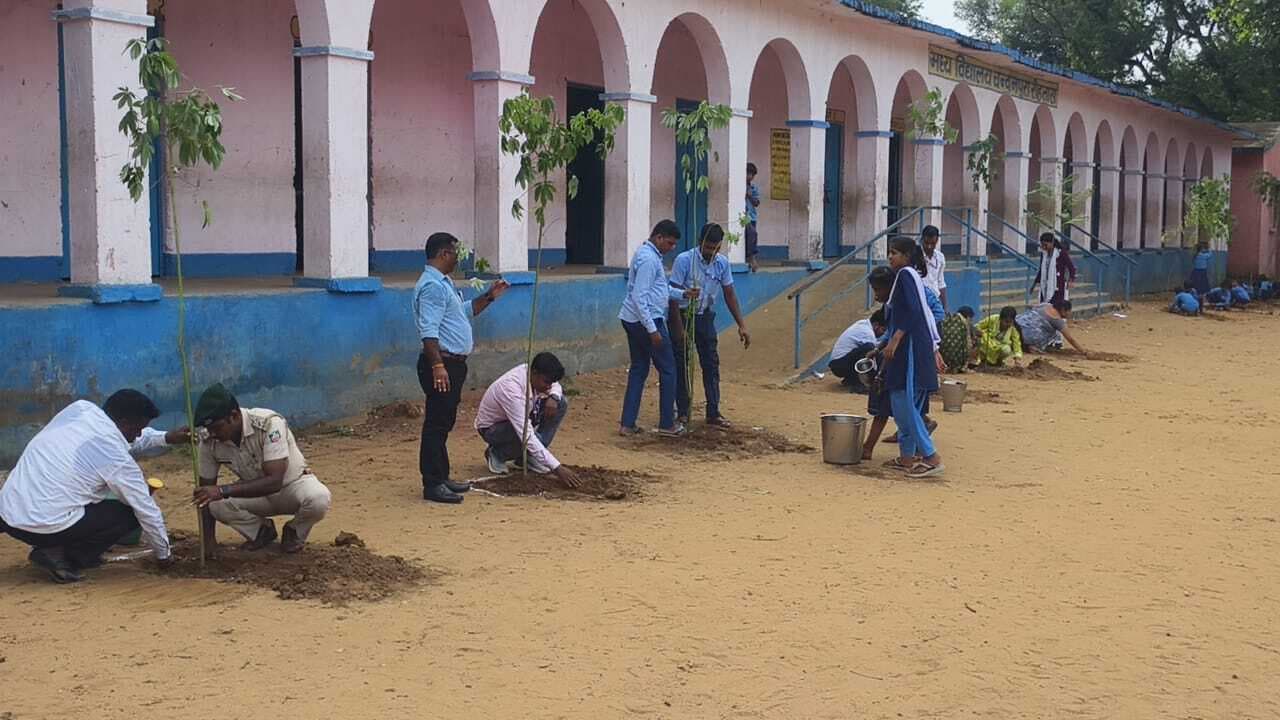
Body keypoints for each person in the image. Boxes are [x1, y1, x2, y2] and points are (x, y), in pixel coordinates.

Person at [0, 390, 172, 583]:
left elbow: (123, 440)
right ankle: (64, 556)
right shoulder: (116, 457)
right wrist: (163, 555)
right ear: (124, 422)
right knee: (131, 512)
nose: (139, 434)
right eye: (138, 428)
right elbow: (146, 509)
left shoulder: (79, 411)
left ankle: (53, 546)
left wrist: (167, 437)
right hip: (44, 526)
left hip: (8, 512)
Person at [414, 232, 510, 504]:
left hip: (452, 364)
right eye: (455, 253)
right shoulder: (432, 287)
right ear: (444, 254)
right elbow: (428, 331)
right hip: (443, 363)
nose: (458, 258)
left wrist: (490, 296)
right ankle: (432, 484)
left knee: (443, 422)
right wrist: (437, 365)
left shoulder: (443, 284)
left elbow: (464, 312)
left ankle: (441, 477)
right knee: (436, 424)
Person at [190, 384, 331, 554]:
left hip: (292, 486)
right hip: (254, 493)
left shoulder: (269, 423)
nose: (211, 434)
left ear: (233, 416)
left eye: (216, 428)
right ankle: (261, 532)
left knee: (318, 498)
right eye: (208, 429)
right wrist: (208, 542)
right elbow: (204, 492)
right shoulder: (209, 441)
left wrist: (222, 490)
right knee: (214, 504)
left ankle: (294, 531)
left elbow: (274, 481)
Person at [668, 223, 752, 426]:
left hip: (704, 317)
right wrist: (679, 330)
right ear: (700, 243)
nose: (712, 253)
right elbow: (672, 297)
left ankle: (713, 412)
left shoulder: (722, 263)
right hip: (682, 316)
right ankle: (683, 411)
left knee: (711, 364)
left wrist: (741, 324)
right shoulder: (684, 260)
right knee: (682, 365)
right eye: (708, 248)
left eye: (716, 248)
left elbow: (729, 294)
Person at [619, 220, 697, 437]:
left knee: (639, 368)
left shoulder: (651, 257)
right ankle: (666, 423)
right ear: (659, 237)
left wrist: (683, 294)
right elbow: (639, 297)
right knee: (669, 369)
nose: (672, 248)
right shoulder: (648, 260)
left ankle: (627, 423)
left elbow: (658, 289)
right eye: (670, 243)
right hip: (646, 320)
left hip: (634, 319)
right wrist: (652, 329)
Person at [879, 237, 944, 478]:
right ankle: (907, 457)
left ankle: (931, 457)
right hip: (915, 347)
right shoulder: (910, 277)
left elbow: (916, 310)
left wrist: (895, 339)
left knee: (905, 405)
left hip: (910, 350)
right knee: (906, 404)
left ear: (906, 256)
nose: (890, 257)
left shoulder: (906, 275)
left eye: (894, 252)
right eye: (889, 252)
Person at [475, 353, 581, 488]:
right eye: (546, 382)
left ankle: (528, 456)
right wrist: (557, 468)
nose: (549, 386)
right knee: (527, 435)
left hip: (524, 417)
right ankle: (497, 454)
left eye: (551, 382)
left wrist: (553, 397)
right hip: (494, 429)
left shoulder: (533, 372)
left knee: (561, 402)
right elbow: (526, 434)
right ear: (535, 373)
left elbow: (555, 385)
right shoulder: (511, 390)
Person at [829, 308, 886, 392]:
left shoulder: (863, 324)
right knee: (869, 349)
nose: (883, 333)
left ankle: (851, 379)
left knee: (870, 349)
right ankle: (859, 384)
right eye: (883, 330)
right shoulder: (867, 332)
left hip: (838, 363)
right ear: (876, 325)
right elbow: (873, 357)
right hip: (839, 365)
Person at [1015, 300, 1087, 354]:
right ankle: (1028, 346)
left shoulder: (1045, 305)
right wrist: (1084, 352)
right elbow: (1070, 339)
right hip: (1026, 336)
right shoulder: (1057, 320)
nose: (1070, 313)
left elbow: (1031, 306)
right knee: (1054, 334)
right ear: (1063, 310)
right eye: (1069, 311)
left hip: (1016, 324)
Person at [1030, 233, 1077, 306]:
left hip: (1058, 284)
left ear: (1052, 243)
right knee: (1044, 306)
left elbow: (1071, 267)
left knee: (1057, 306)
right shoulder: (1043, 254)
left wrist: (1071, 280)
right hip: (1045, 284)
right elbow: (1041, 270)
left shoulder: (1061, 253)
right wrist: (1035, 283)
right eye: (1042, 245)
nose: (1043, 247)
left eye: (1045, 245)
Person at [938, 306, 976, 373]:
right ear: (967, 317)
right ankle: (962, 367)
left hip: (941, 359)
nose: (971, 321)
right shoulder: (964, 324)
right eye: (971, 319)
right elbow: (968, 345)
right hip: (956, 362)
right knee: (973, 343)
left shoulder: (948, 319)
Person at [920, 225, 947, 311]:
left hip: (935, 300)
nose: (929, 247)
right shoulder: (916, 256)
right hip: (920, 300)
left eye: (932, 244)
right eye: (926, 243)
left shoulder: (940, 257)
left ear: (937, 241)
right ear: (922, 240)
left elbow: (941, 282)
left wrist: (945, 307)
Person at [745, 163, 761, 272]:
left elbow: (757, 203)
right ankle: (751, 258)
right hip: (743, 217)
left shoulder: (753, 188)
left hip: (751, 216)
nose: (750, 177)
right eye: (748, 174)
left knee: (752, 236)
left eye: (752, 175)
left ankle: (751, 257)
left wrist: (750, 195)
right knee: (751, 234)